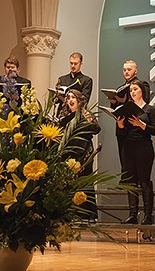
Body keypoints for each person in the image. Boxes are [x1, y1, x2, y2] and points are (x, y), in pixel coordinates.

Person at [115, 80, 155, 224]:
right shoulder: (127, 108)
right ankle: (133, 214)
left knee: (144, 181)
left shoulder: (150, 109)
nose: (133, 92)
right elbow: (122, 135)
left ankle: (147, 215)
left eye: (135, 89)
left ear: (142, 91)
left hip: (144, 148)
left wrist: (142, 125)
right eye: (131, 90)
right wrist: (121, 126)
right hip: (128, 148)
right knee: (131, 182)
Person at [58, 89, 101, 221]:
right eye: (68, 97)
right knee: (69, 182)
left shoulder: (85, 113)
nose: (70, 100)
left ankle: (87, 214)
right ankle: (71, 214)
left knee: (84, 181)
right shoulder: (65, 115)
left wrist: (89, 121)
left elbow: (96, 128)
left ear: (79, 100)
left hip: (83, 151)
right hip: (69, 152)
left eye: (73, 98)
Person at [107, 60, 150, 171]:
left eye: (129, 69)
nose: (126, 72)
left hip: (134, 124)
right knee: (123, 155)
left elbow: (144, 103)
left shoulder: (142, 84)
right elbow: (116, 109)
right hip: (121, 125)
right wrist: (114, 102)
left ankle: (137, 183)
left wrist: (125, 100)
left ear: (135, 71)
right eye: (124, 70)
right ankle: (125, 181)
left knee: (137, 158)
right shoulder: (121, 88)